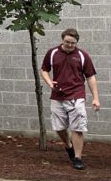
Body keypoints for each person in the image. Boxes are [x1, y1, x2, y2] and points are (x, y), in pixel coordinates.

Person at [40, 28, 100, 170]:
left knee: (77, 127)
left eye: (73, 43)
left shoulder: (82, 55)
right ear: (62, 40)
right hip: (58, 95)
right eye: (67, 42)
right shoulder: (53, 53)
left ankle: (78, 158)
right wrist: (49, 82)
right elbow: (44, 70)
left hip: (77, 94)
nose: (70, 45)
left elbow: (90, 77)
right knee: (59, 127)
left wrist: (95, 98)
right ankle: (69, 146)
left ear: (76, 42)